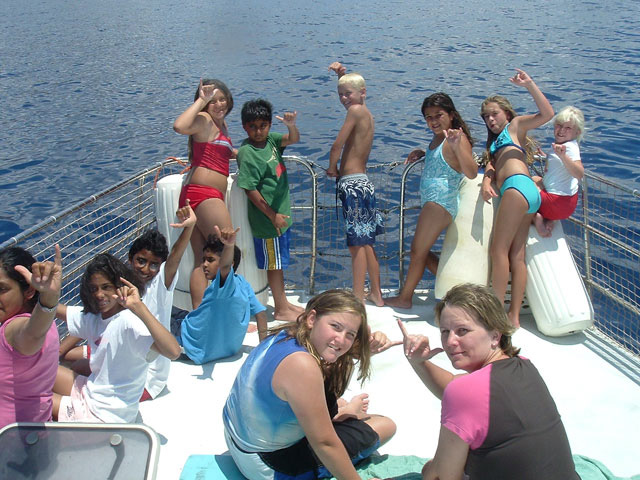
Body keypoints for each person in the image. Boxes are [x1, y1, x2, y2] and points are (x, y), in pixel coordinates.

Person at [398, 283, 579, 480]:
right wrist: (418, 362)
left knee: (430, 469)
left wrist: (431, 470)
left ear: (495, 335)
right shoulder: (524, 366)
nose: (450, 341)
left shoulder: (466, 392)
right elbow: (457, 389)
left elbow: (441, 478)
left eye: (462, 331)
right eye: (444, 331)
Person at [223, 289, 398, 480]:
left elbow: (332, 351)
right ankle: (345, 414)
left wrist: (363, 347)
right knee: (384, 424)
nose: (341, 339)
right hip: (269, 467)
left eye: (350, 334)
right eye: (336, 327)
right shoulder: (302, 366)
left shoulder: (284, 336)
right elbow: (325, 444)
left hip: (237, 442)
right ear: (312, 319)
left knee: (339, 402)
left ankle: (344, 412)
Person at [53, 254, 181, 423]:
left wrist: (138, 307)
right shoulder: (96, 318)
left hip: (105, 415)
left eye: (106, 287)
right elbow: (55, 309)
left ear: (119, 287)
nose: (99, 294)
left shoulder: (129, 323)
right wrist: (47, 290)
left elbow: (173, 351)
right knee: (40, 371)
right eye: (94, 289)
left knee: (37, 401)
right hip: (93, 393)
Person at [385, 93, 477, 309]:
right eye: (428, 117)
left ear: (451, 115)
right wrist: (423, 154)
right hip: (433, 201)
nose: (433, 121)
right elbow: (443, 161)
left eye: (439, 115)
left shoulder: (456, 138)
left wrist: (456, 146)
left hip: (441, 201)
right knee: (419, 252)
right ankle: (457, 289)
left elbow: (471, 172)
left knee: (418, 251)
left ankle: (405, 298)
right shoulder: (438, 139)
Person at [480, 69, 554, 327]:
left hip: (515, 188)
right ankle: (513, 318)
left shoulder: (515, 126)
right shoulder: (496, 143)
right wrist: (488, 178)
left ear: (507, 114)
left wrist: (530, 85)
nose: (490, 119)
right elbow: (492, 165)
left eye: (494, 113)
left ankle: (496, 314)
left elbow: (547, 115)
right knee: (516, 256)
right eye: (486, 116)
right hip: (528, 194)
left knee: (497, 250)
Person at [236, 98, 304, 321]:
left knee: (280, 262)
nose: (258, 131)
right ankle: (281, 309)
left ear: (269, 126)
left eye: (263, 126)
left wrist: (291, 124)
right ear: (245, 127)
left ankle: (283, 303)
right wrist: (272, 215)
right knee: (274, 265)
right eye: (253, 126)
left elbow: (293, 139)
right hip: (268, 222)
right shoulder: (247, 153)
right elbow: (249, 189)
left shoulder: (272, 141)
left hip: (281, 217)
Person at [173, 78, 235, 308]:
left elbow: (220, 154)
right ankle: (226, 310)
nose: (218, 104)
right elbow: (179, 126)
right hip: (205, 195)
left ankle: (200, 314)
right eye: (213, 101)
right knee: (226, 252)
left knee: (202, 261)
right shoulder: (205, 120)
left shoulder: (221, 126)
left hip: (193, 195)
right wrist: (201, 100)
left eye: (222, 99)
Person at [327, 62, 385, 307]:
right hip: (364, 183)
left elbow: (338, 144)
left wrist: (332, 167)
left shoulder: (354, 111)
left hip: (351, 184)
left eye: (347, 94)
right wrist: (343, 76)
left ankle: (358, 296)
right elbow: (355, 92)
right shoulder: (366, 112)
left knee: (356, 245)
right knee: (367, 242)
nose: (343, 98)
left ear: (362, 92)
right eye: (340, 94)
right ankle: (377, 295)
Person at [172, 226, 268, 364]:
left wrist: (229, 245)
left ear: (230, 263)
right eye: (204, 259)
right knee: (168, 308)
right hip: (225, 346)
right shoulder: (242, 283)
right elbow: (261, 313)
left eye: (210, 260)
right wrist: (263, 349)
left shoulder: (224, 286)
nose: (204, 264)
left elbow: (224, 267)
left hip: (189, 339)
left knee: (153, 313)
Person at [0, 245, 62, 428]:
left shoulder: (14, 329)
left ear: (29, 291)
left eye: (2, 289)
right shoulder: (49, 323)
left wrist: (49, 298)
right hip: (35, 434)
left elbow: (31, 334)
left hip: (8, 444)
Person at [533, 106, 585, 237]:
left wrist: (563, 156)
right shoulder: (571, 145)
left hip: (555, 204)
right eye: (559, 125)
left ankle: (537, 220)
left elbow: (579, 173)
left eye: (568, 128)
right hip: (568, 206)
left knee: (524, 185)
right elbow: (559, 167)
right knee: (537, 180)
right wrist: (547, 156)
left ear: (577, 132)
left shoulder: (568, 149)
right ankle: (551, 219)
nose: (561, 130)